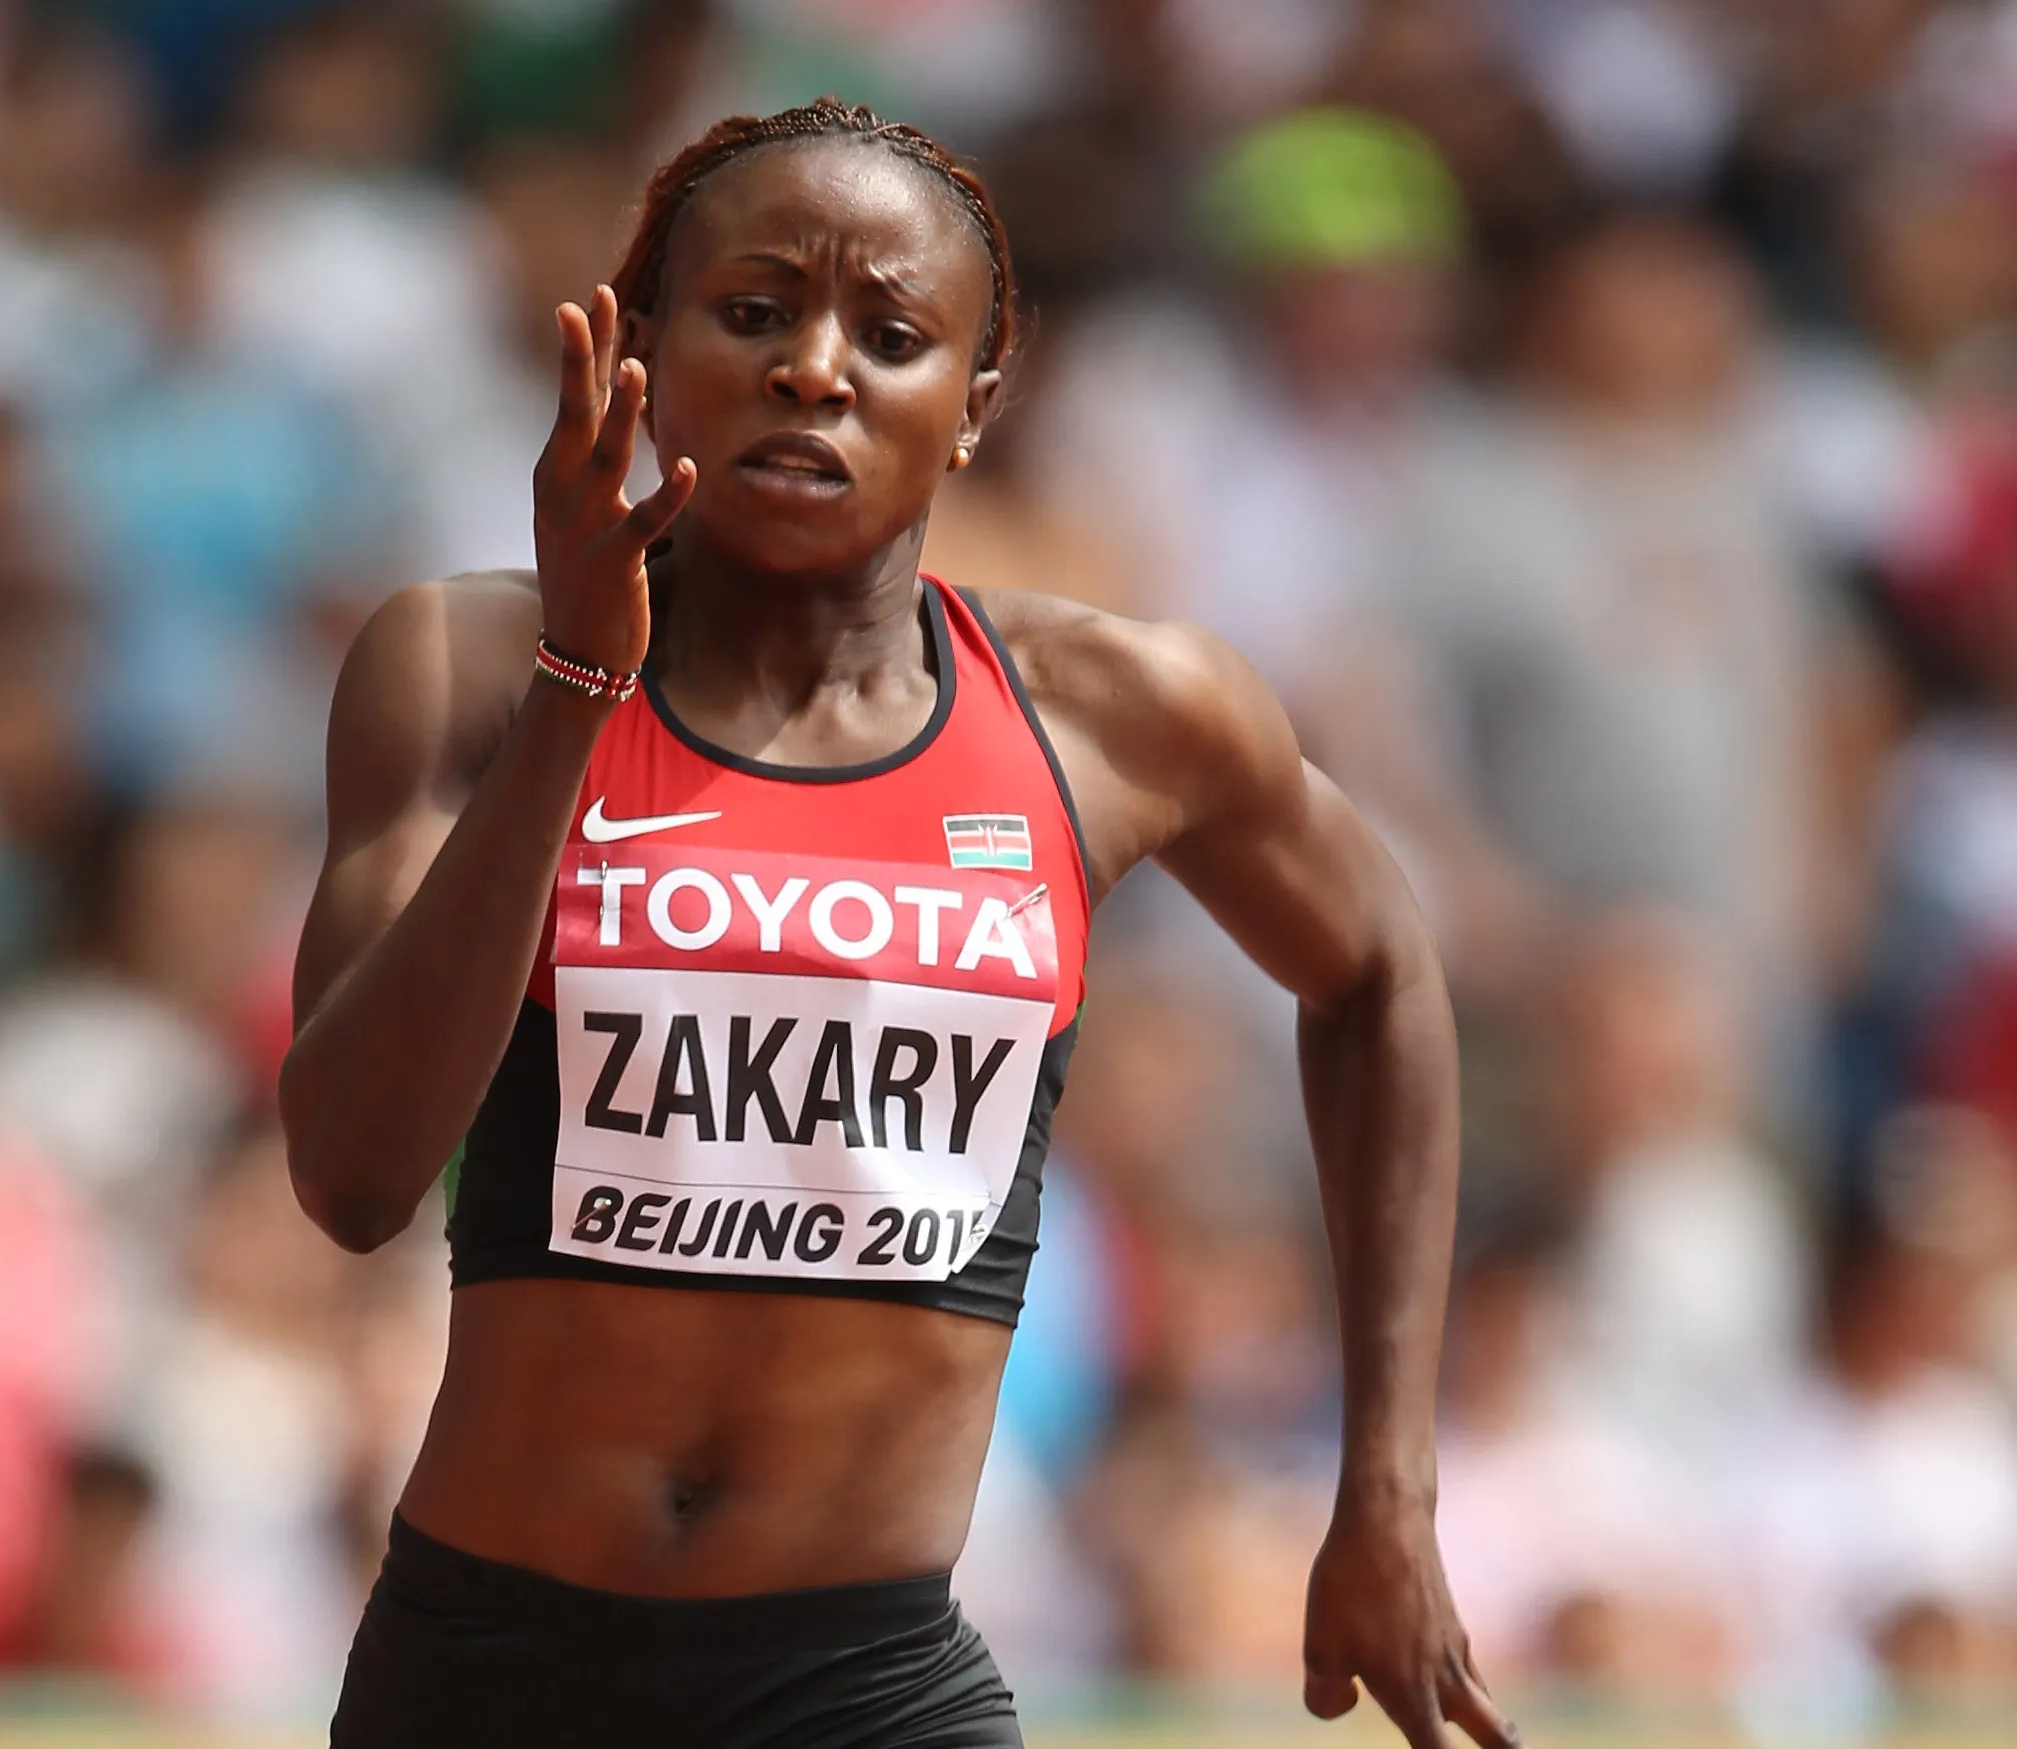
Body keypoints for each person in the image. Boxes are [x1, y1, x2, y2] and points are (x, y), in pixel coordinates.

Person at [280, 97, 1517, 1749]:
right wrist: (582, 684)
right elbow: (353, 1177)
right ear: (638, 349)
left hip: (867, 1687)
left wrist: (1387, 1491)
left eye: (891, 334)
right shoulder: (466, 669)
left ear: (975, 408)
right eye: (753, 311)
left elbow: (1381, 972)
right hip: (494, 1675)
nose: (815, 370)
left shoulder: (1116, 718)